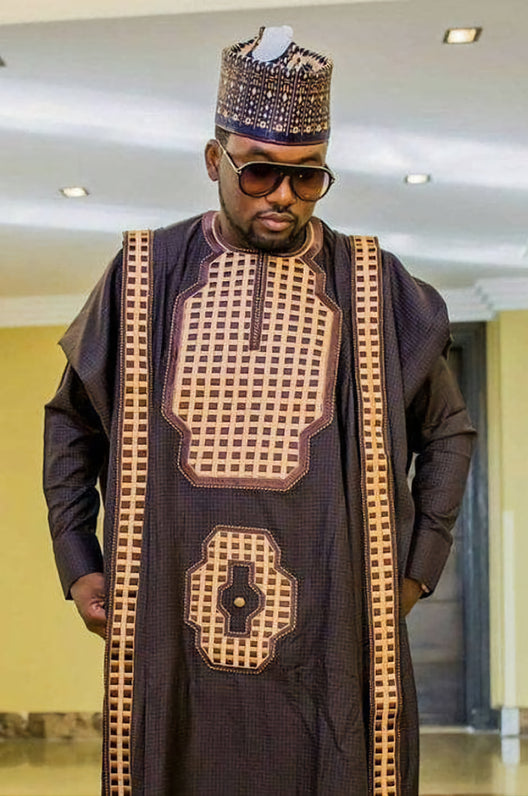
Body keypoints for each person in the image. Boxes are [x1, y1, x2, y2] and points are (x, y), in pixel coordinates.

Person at [43, 26, 475, 796]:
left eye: (307, 177)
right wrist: (78, 561)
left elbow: (447, 430)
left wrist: (418, 569)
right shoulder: (143, 275)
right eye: (260, 171)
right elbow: (72, 422)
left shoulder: (373, 283)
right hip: (172, 630)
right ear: (214, 160)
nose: (282, 195)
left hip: (335, 632)